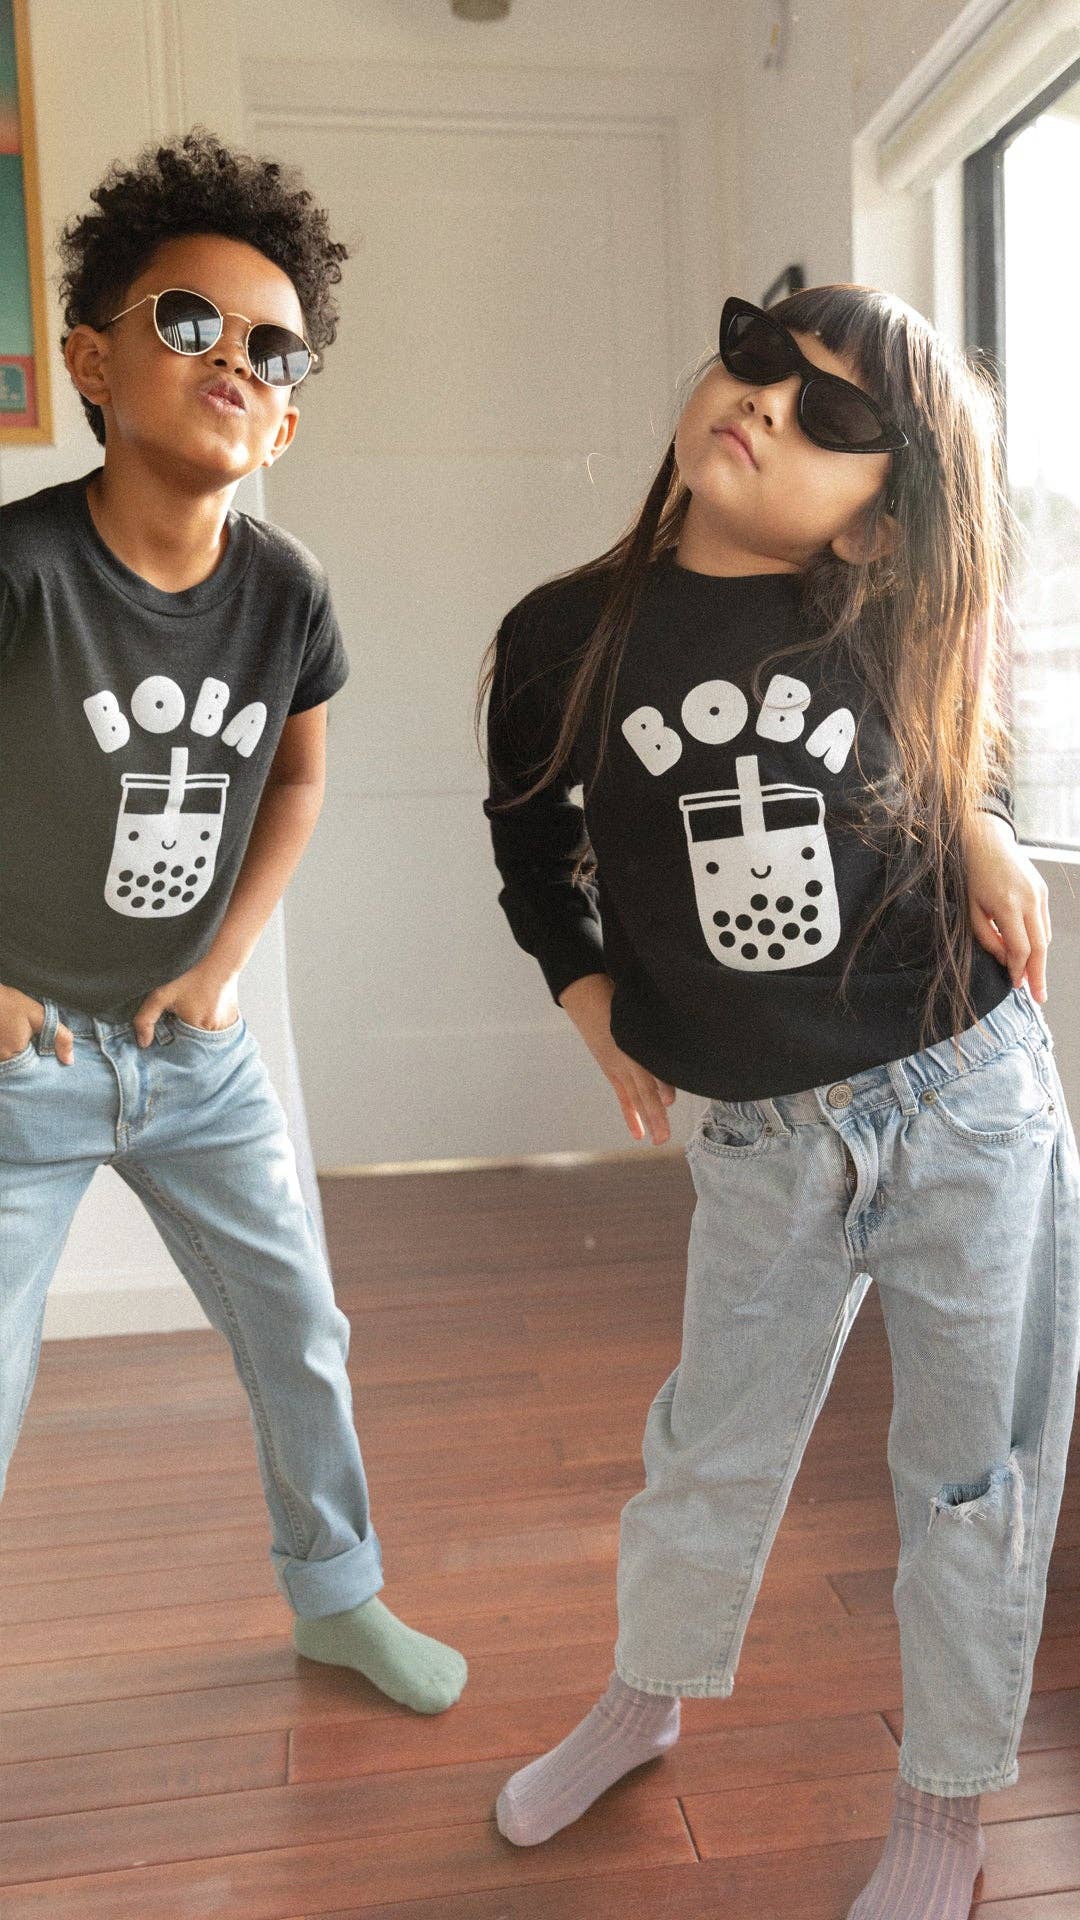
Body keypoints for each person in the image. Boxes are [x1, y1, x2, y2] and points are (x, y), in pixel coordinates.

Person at [482, 286, 1079, 1917]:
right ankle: (646, 1697)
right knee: (708, 1445)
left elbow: (945, 753)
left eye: (836, 415)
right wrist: (591, 1003)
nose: (769, 402)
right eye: (761, 356)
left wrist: (981, 829)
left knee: (970, 1476)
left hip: (965, 1100)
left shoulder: (878, 618)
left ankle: (946, 1804)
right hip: (758, 1136)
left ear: (879, 514)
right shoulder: (562, 636)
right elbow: (532, 847)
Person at [0, 130, 466, 1717]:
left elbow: (298, 781)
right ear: (94, 360)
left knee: (298, 1326)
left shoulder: (288, 591)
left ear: (287, 414)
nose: (237, 362)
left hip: (194, 1057)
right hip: (26, 1060)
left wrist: (223, 965)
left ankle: (339, 1599)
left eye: (276, 349)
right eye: (191, 322)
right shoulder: (24, 573)